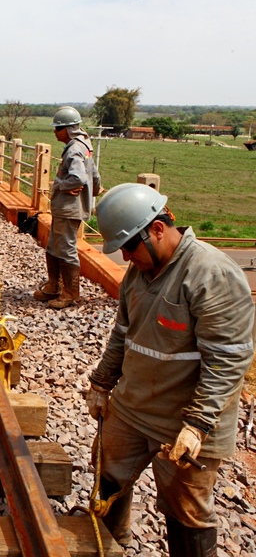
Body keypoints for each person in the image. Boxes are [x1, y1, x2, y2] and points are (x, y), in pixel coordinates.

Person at [86, 183, 254, 556]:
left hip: (184, 422)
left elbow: (228, 359)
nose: (127, 257)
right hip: (133, 408)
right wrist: (102, 382)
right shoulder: (139, 275)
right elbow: (123, 335)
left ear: (157, 230)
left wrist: (197, 424)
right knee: (108, 479)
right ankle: (110, 547)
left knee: (186, 511)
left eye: (130, 246)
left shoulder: (211, 275)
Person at [33, 106, 101, 308]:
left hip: (68, 208)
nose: (55, 132)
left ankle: (71, 292)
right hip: (68, 207)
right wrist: (92, 190)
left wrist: (60, 184)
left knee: (66, 248)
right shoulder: (84, 145)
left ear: (69, 129)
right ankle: (54, 286)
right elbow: (94, 175)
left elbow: (78, 177)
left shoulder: (73, 149)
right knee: (54, 245)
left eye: (58, 128)